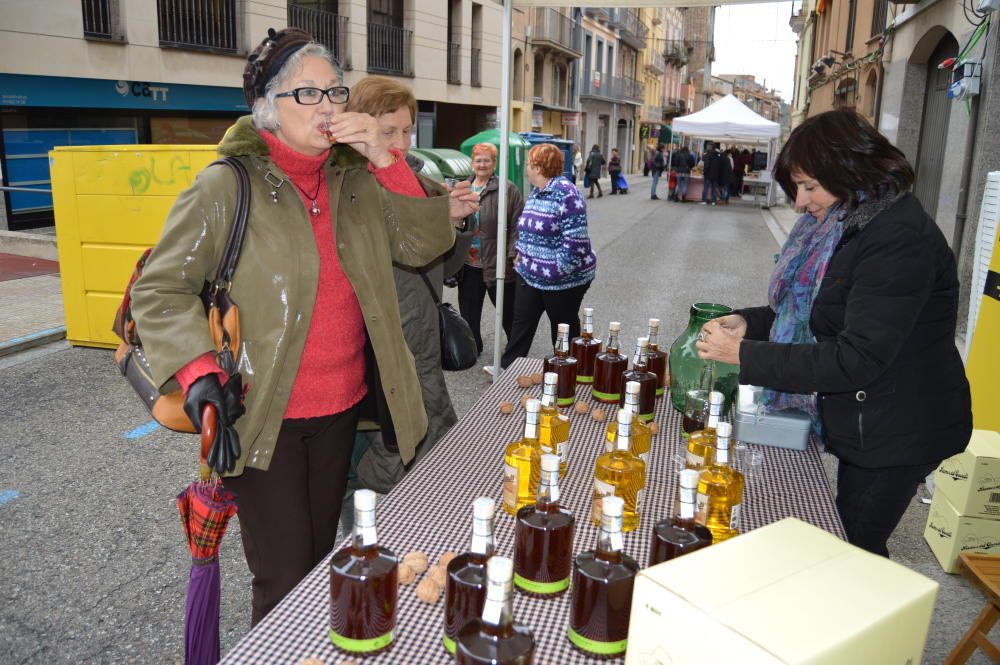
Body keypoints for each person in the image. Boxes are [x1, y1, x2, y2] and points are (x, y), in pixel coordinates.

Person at [130, 28, 479, 624]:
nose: (327, 106)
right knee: (285, 577)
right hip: (265, 415)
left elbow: (425, 243)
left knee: (323, 560)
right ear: (266, 105)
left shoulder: (355, 182)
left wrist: (383, 156)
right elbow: (160, 288)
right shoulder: (226, 185)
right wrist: (197, 371)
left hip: (343, 409)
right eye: (307, 94)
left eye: (335, 93)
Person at [695, 109, 972, 557]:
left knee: (852, 550)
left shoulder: (898, 239)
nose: (800, 203)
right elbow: (815, 314)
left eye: (809, 187)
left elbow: (854, 357)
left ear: (848, 170)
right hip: (868, 417)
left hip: (898, 429)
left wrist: (744, 354)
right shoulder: (848, 223)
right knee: (842, 538)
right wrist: (751, 322)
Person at [343, 75, 473, 498]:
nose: (400, 142)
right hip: (379, 358)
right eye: (387, 132)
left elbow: (445, 269)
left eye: (406, 130)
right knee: (378, 474)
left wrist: (454, 223)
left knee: (428, 466)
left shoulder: (417, 180)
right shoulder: (347, 189)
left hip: (421, 346)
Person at [498, 143, 596, 369]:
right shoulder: (537, 192)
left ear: (539, 167)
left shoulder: (568, 194)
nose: (527, 169)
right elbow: (526, 227)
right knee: (521, 322)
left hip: (563, 281)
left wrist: (554, 273)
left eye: (530, 164)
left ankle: (571, 372)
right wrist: (520, 254)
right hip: (532, 275)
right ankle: (508, 368)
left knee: (563, 329)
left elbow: (576, 244)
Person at [458, 142, 524, 356]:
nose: (482, 164)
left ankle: (515, 353)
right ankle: (472, 349)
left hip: (498, 263)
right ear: (472, 163)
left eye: (487, 160)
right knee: (469, 313)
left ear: (494, 164)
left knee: (508, 313)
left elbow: (517, 225)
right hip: (468, 263)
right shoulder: (462, 188)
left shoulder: (508, 189)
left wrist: (513, 253)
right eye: (478, 160)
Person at [700, 141, 720, 205]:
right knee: (714, 188)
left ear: (710, 147)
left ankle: (704, 200)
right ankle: (714, 201)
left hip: (708, 174)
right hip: (716, 175)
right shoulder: (717, 155)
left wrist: (704, 172)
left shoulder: (707, 155)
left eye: (708, 146)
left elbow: (706, 165)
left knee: (706, 187)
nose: (707, 147)